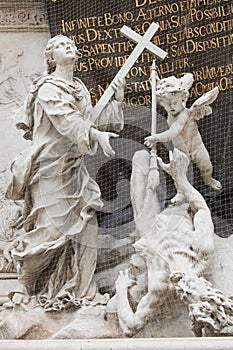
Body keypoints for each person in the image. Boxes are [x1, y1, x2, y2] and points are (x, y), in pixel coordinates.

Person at [5, 35, 125, 311]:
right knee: (50, 229)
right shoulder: (48, 88)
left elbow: (92, 120)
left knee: (87, 226)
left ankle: (84, 291)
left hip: (74, 169)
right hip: (49, 169)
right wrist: (94, 134)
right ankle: (25, 282)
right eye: (60, 45)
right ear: (50, 58)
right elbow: (68, 121)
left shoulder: (80, 88)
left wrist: (116, 100)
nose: (69, 46)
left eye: (71, 43)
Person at [144, 73, 221, 204]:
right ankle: (180, 193)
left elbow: (173, 132)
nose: (172, 107)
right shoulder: (171, 113)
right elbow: (164, 92)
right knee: (179, 175)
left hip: (197, 147)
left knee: (207, 166)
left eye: (174, 103)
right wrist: (155, 83)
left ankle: (208, 180)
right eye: (167, 104)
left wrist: (155, 138)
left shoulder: (185, 114)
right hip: (180, 151)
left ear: (182, 99)